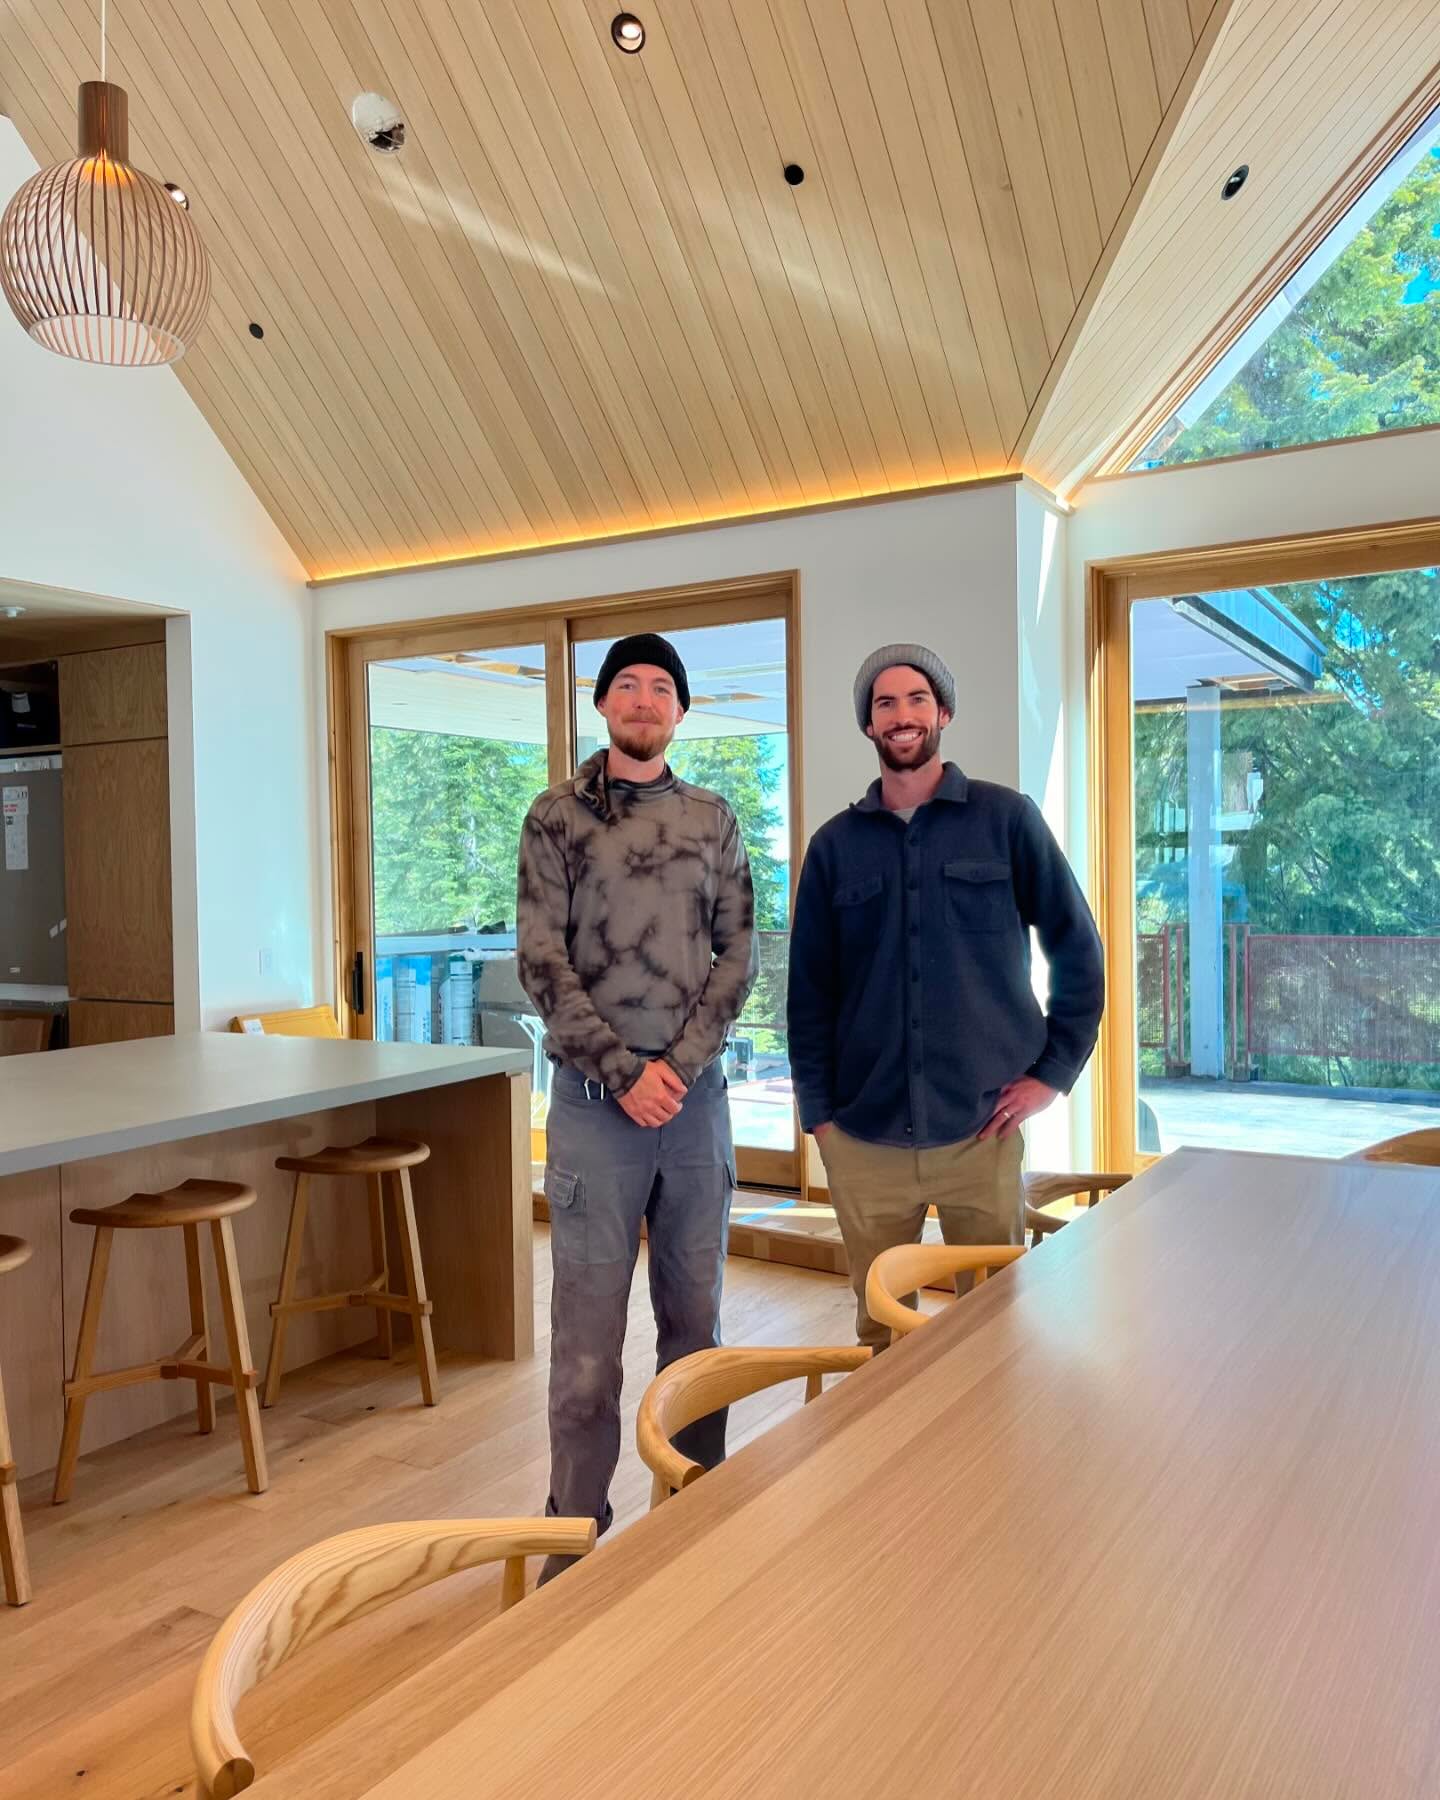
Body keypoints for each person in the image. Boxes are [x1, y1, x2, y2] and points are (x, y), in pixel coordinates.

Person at [517, 631, 757, 1576]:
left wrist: (680, 1068)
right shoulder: (556, 819)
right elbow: (541, 961)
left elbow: (737, 956)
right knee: (585, 1343)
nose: (645, 700)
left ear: (682, 711)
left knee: (696, 1325)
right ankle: (571, 1543)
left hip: (694, 1109)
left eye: (662, 687)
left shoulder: (713, 819)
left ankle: (698, 1521)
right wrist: (624, 1071)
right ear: (603, 705)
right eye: (629, 685)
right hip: (590, 1107)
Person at [787, 642, 1103, 1349]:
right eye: (885, 703)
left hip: (981, 1132)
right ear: (868, 725)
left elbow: (1079, 950)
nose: (902, 716)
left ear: (944, 713)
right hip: (863, 1140)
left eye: (917, 699)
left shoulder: (1007, 820)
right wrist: (822, 1121)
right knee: (880, 1334)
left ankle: (992, 1461)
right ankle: (889, 1460)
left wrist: (1051, 1077)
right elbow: (808, 996)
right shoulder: (834, 847)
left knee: (994, 1330)